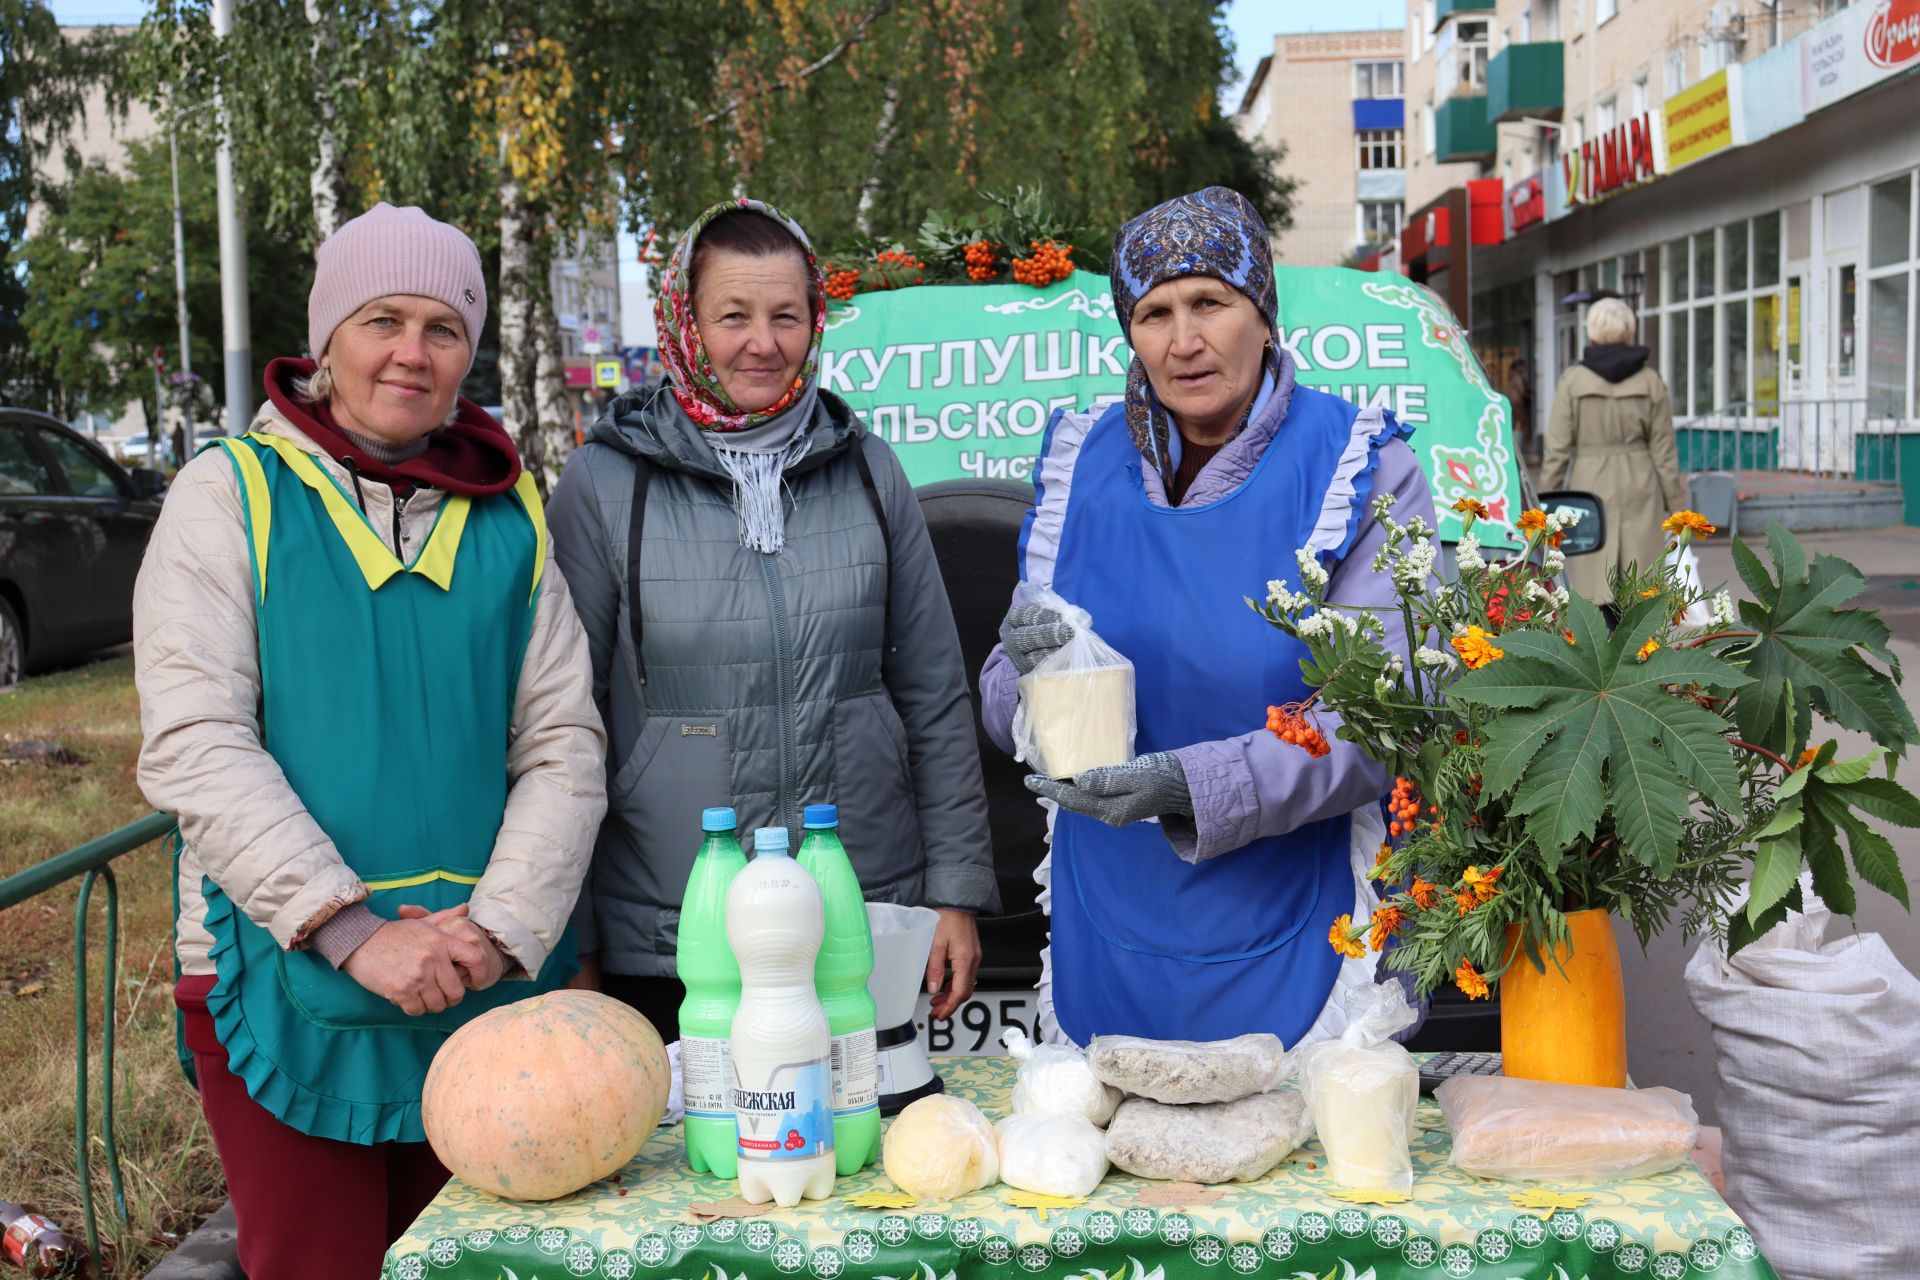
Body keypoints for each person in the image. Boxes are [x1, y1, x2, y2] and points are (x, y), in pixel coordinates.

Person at [134, 204, 607, 1280]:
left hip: (478, 980)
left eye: (444, 326)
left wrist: (497, 927)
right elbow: (196, 741)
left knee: (478, 1265)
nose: (412, 351)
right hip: (285, 968)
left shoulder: (506, 511)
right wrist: (353, 931)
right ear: (327, 339)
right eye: (382, 317)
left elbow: (564, 743)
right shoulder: (230, 496)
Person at [977, 187, 1434, 1049]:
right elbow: (1007, 689)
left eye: (1209, 303)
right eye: (1153, 313)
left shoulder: (1358, 466)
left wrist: (1192, 786)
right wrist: (1025, 676)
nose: (1183, 341)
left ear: (1262, 313)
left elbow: (1386, 716)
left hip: (1300, 918)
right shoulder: (1082, 462)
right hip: (1107, 915)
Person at [548, 197, 1000, 1036]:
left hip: (861, 918)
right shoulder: (607, 484)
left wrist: (953, 894)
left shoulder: (866, 469)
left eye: (786, 315)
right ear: (685, 323)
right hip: (676, 933)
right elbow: (564, 730)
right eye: (733, 315)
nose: (764, 342)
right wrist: (575, 938)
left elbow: (935, 696)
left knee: (866, 1159)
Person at [1541, 298, 1682, 604]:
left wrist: (1543, 505)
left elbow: (1557, 450)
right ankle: (1642, 648)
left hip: (1589, 486)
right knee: (1640, 584)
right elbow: (1664, 450)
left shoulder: (1573, 381)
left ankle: (1596, 645)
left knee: (1592, 583)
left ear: (1591, 333)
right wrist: (1679, 508)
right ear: (1629, 331)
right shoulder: (1650, 381)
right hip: (1640, 483)